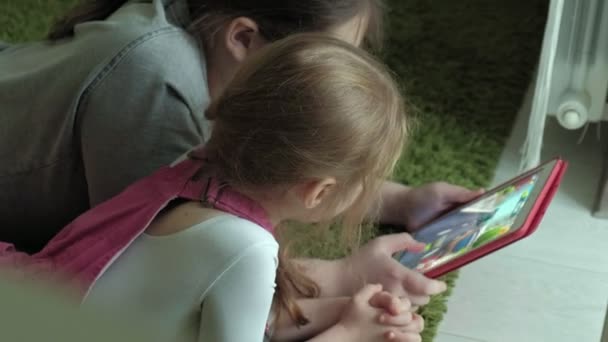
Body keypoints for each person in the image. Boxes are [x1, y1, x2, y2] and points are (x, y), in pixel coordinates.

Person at [0, 0, 480, 307]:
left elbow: (288, 156)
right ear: (244, 38)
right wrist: (344, 277)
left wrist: (400, 200)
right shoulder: (155, 89)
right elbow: (174, 288)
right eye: (324, 57)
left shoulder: (199, 38)